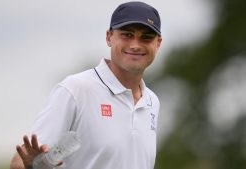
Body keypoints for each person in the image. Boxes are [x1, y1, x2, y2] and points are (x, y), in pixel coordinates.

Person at [10, 1, 162, 169]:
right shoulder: (76, 89)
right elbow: (20, 161)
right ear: (109, 37)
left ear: (158, 43)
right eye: (127, 34)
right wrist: (35, 166)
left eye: (146, 38)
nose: (135, 44)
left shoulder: (151, 101)